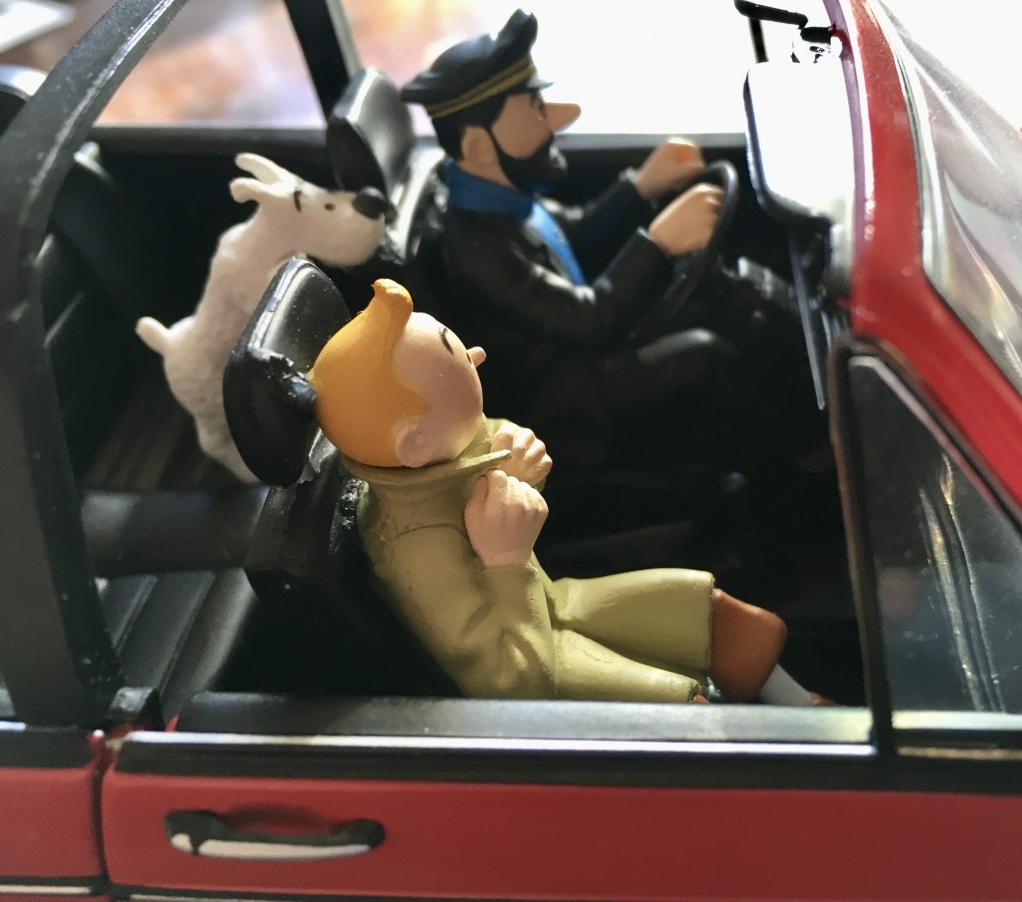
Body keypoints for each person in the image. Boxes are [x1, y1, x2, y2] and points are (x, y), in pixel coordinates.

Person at [307, 277, 824, 704]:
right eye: (454, 360)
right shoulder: (416, 548)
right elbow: (510, 683)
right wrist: (507, 563)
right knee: (685, 709)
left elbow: (489, 443)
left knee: (707, 613)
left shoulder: (439, 449)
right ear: (414, 441)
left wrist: (521, 462)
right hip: (538, 661)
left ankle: (804, 709)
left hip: (551, 604)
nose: (475, 354)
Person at [401, 9, 770, 471]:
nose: (558, 119)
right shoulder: (478, 249)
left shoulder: (501, 198)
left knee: (711, 301)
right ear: (478, 144)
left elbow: (571, 233)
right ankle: (778, 469)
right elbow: (589, 320)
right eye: (535, 108)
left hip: (579, 356)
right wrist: (657, 243)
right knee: (707, 357)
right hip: (568, 402)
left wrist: (640, 187)